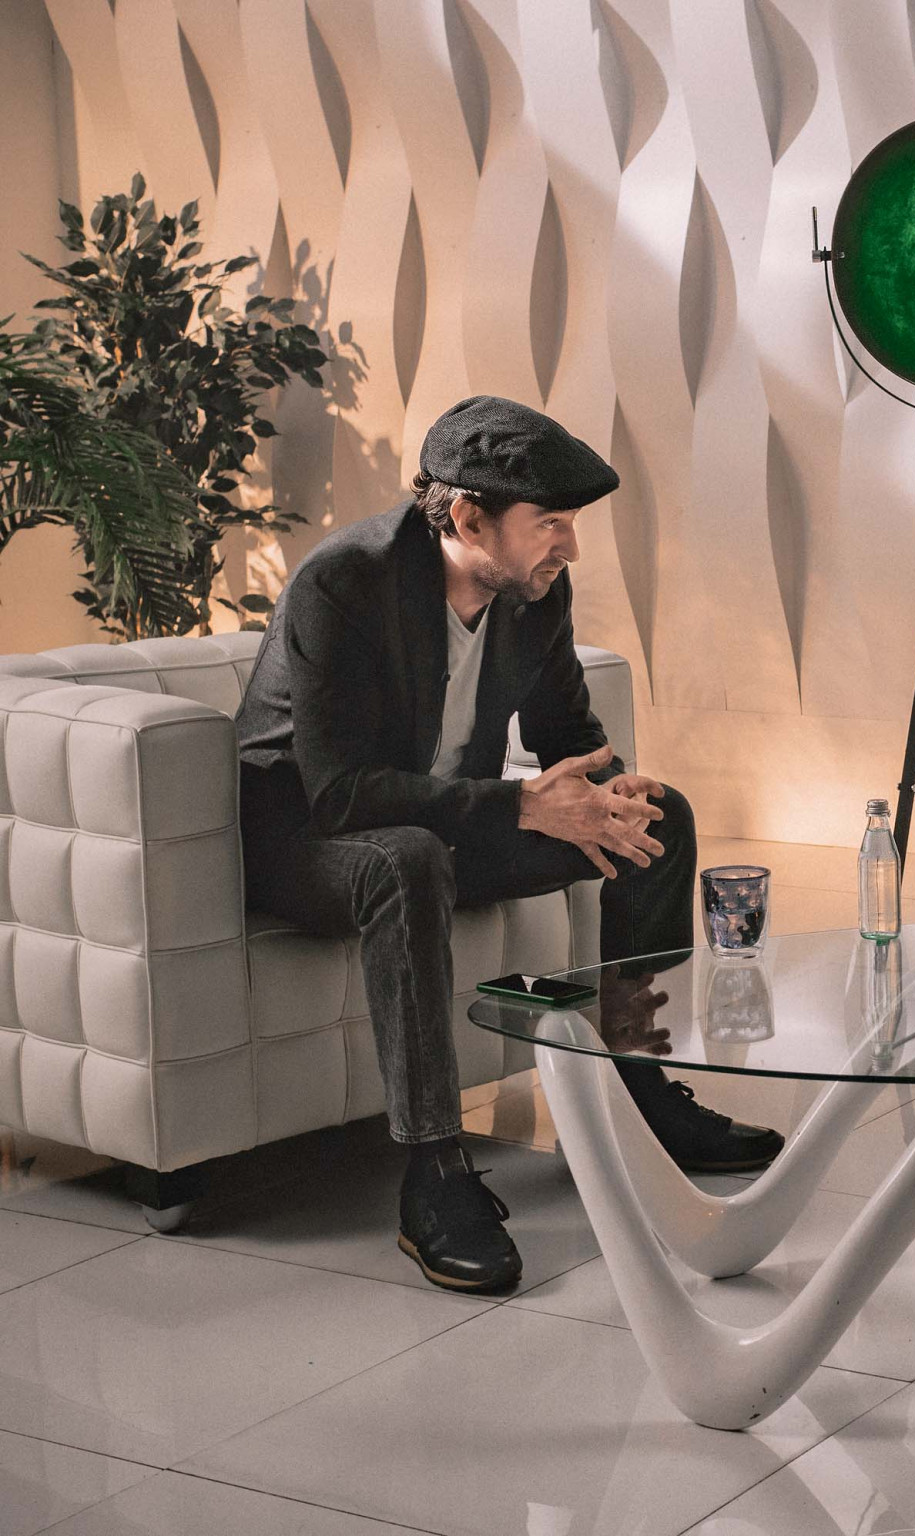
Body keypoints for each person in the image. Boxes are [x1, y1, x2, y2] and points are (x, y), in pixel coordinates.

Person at [236, 395, 782, 1293]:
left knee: (659, 819)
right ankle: (434, 1172)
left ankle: (638, 1092)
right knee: (405, 857)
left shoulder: (534, 594)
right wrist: (525, 805)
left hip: (447, 828)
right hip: (312, 845)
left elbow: (569, 735)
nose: (570, 547)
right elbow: (340, 793)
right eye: (551, 523)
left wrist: (607, 795)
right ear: (467, 518)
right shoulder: (343, 584)